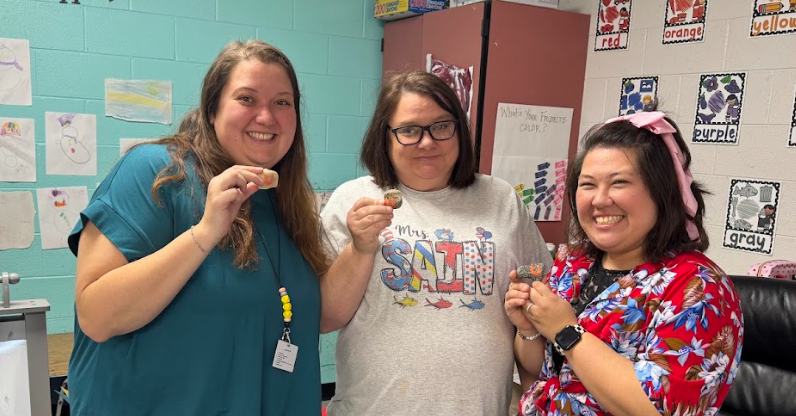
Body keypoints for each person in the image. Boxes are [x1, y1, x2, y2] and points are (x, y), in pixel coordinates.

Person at [67, 40, 329, 415]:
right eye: (247, 99)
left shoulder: (284, 200)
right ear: (211, 110)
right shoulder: (156, 172)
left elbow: (314, 313)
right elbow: (96, 316)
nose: (267, 117)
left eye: (282, 102)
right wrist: (204, 234)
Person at [319, 70, 553, 416]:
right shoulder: (354, 200)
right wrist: (360, 248)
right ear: (385, 138)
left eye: (441, 126)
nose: (427, 142)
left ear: (459, 130)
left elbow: (538, 305)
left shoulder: (500, 198)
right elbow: (324, 318)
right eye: (409, 131)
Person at [506, 110, 744, 416]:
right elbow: (544, 373)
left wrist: (566, 330)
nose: (600, 199)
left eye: (619, 182)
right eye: (588, 184)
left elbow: (658, 408)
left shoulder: (699, 288)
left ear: (661, 192)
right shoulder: (572, 262)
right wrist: (530, 329)